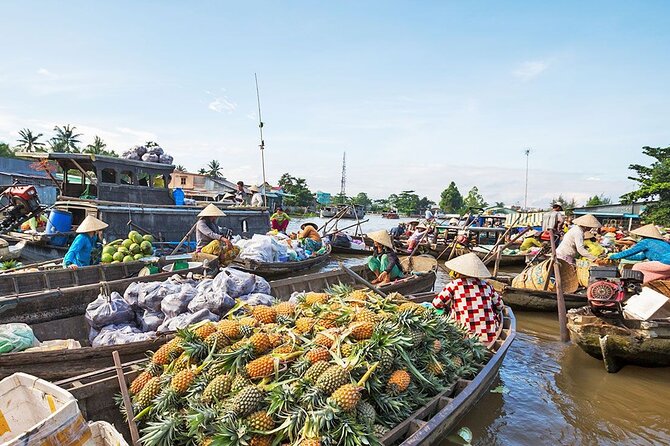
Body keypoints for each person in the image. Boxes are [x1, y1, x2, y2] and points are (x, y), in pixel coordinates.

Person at [432, 252, 504, 344]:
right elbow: (500, 306)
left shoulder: (455, 284)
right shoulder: (487, 285)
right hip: (488, 338)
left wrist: (447, 309)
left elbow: (436, 304)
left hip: (463, 337)